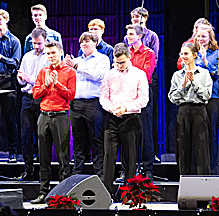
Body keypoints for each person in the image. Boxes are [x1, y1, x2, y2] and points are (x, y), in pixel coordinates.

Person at [100, 43, 149, 196]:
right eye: (116, 62)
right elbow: (103, 97)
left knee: (130, 157)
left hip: (130, 118)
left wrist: (125, 108)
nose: (119, 65)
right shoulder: (109, 74)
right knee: (109, 156)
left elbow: (143, 100)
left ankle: (129, 195)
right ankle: (106, 192)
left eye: (122, 62)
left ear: (129, 58)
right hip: (112, 118)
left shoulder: (139, 74)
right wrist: (111, 108)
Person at [30, 40, 76, 203]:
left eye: (53, 53)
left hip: (61, 115)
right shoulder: (43, 71)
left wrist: (57, 84)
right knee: (43, 156)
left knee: (63, 157)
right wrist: (46, 85)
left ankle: (64, 194)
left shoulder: (70, 71)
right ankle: (43, 192)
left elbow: (71, 95)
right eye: (48, 54)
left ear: (60, 52)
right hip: (44, 116)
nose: (51, 56)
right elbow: (35, 94)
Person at [67, 32, 110, 177]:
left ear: (96, 43)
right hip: (76, 104)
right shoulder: (76, 60)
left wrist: (77, 66)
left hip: (94, 104)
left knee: (96, 139)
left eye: (87, 41)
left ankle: (100, 174)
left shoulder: (102, 59)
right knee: (78, 140)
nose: (84, 44)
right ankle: (77, 173)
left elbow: (98, 76)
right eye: (81, 42)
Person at [169, 42, 212, 178]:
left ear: (194, 55)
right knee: (183, 149)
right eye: (182, 54)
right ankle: (185, 184)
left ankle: (203, 186)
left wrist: (194, 82)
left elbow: (206, 95)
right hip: (183, 111)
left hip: (199, 111)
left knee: (201, 149)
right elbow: (172, 97)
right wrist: (183, 86)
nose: (183, 56)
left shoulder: (204, 73)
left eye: (186, 53)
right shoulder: (177, 75)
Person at [15, 29, 50, 181]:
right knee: (25, 135)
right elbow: (21, 77)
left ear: (45, 41)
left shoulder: (49, 57)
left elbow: (45, 81)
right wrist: (22, 79)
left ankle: (43, 172)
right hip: (27, 98)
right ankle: (28, 170)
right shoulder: (27, 56)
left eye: (39, 43)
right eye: (34, 43)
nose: (36, 46)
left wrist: (29, 79)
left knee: (41, 135)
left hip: (42, 98)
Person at [0, 9, 22, 162]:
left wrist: (0, 57)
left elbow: (15, 63)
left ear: (6, 20)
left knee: (10, 119)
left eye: (0, 20)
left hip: (9, 80)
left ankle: (13, 152)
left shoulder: (14, 41)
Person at [125, 24, 157, 177]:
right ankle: (128, 169)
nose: (128, 36)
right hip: (127, 92)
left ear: (139, 36)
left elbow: (146, 74)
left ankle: (147, 168)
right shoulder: (126, 53)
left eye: (131, 34)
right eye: (127, 34)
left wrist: (128, 70)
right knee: (129, 130)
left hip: (143, 91)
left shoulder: (148, 53)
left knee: (145, 131)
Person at [193, 25, 219, 171]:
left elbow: (217, 73)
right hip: (196, 98)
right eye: (198, 36)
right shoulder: (193, 53)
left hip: (212, 97)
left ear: (210, 37)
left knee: (211, 134)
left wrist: (206, 61)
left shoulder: (217, 54)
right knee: (198, 135)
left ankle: (213, 170)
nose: (200, 39)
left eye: (204, 36)